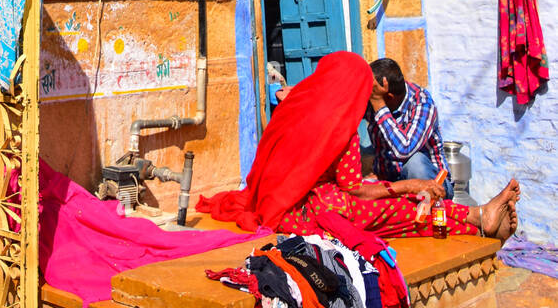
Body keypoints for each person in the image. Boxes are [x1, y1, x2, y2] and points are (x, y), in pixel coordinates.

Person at [198, 51, 520, 241]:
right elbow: (355, 190)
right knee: (398, 210)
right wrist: (409, 186)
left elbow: (403, 151)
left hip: (274, 201)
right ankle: (477, 217)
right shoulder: (340, 126)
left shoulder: (295, 106)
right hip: (309, 210)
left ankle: (478, 216)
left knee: (412, 176)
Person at [367, 58, 453, 198]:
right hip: (392, 185)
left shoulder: (422, 103)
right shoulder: (372, 98)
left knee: (415, 163)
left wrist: (378, 104)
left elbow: (404, 149)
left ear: (388, 97)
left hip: (434, 186)